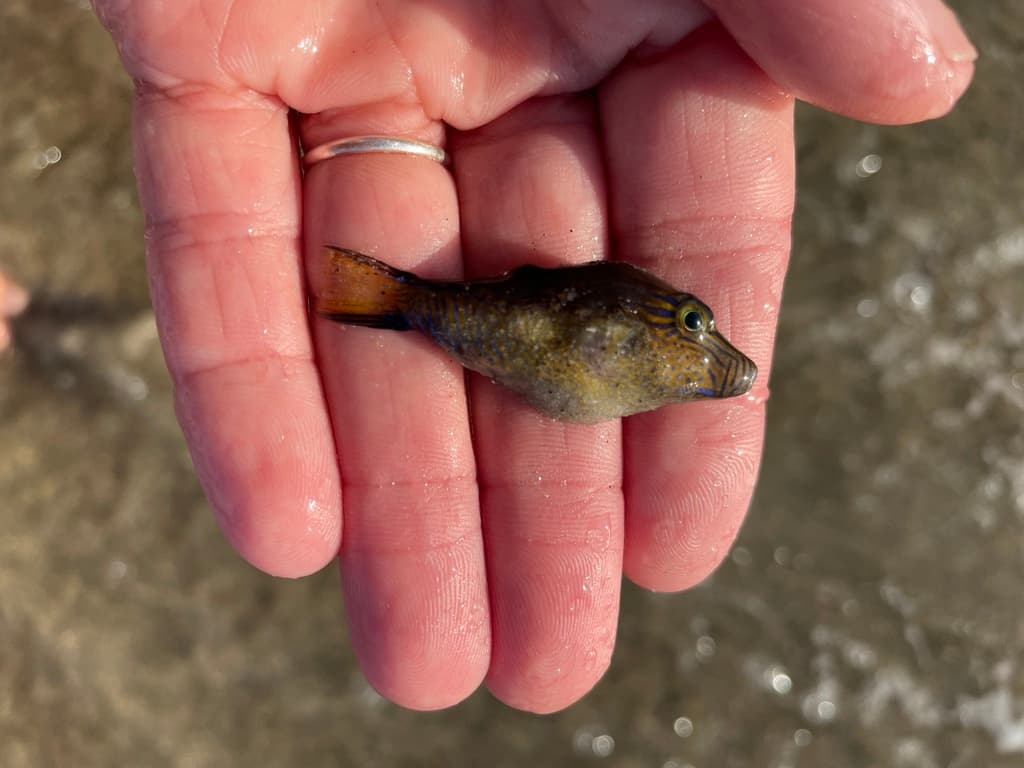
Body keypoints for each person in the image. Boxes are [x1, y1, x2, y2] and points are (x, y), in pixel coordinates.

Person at [91, 0, 975, 713]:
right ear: (660, 327)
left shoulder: (651, 359)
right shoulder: (646, 341)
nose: (716, 356)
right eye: (694, 324)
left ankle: (394, 300)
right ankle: (392, 299)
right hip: (518, 330)